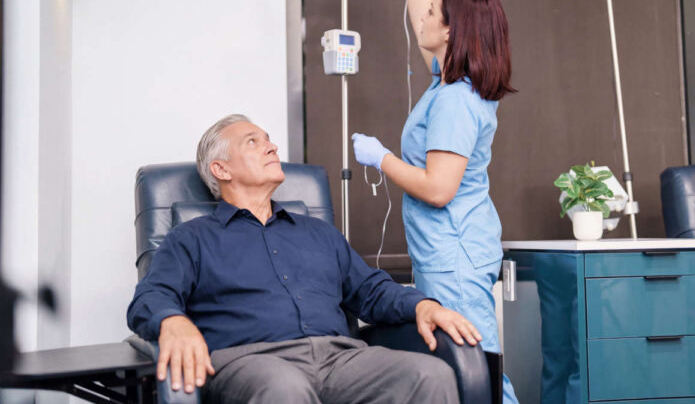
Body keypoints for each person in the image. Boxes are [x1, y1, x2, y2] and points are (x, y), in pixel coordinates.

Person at [127, 114, 484, 404]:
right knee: (283, 388)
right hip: (252, 362)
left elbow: (372, 291)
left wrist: (422, 305)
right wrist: (172, 321)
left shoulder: (317, 233)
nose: (272, 146)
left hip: (341, 358)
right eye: (253, 141)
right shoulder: (192, 238)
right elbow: (151, 296)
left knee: (429, 375)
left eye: (268, 138)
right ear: (221, 170)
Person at [352, 0, 519, 404]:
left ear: (450, 33)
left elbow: (439, 188)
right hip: (450, 253)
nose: (422, 18)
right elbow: (423, 6)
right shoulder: (448, 79)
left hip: (455, 259)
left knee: (479, 374)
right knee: (464, 368)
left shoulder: (454, 101)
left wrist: (380, 158)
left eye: (433, 17)